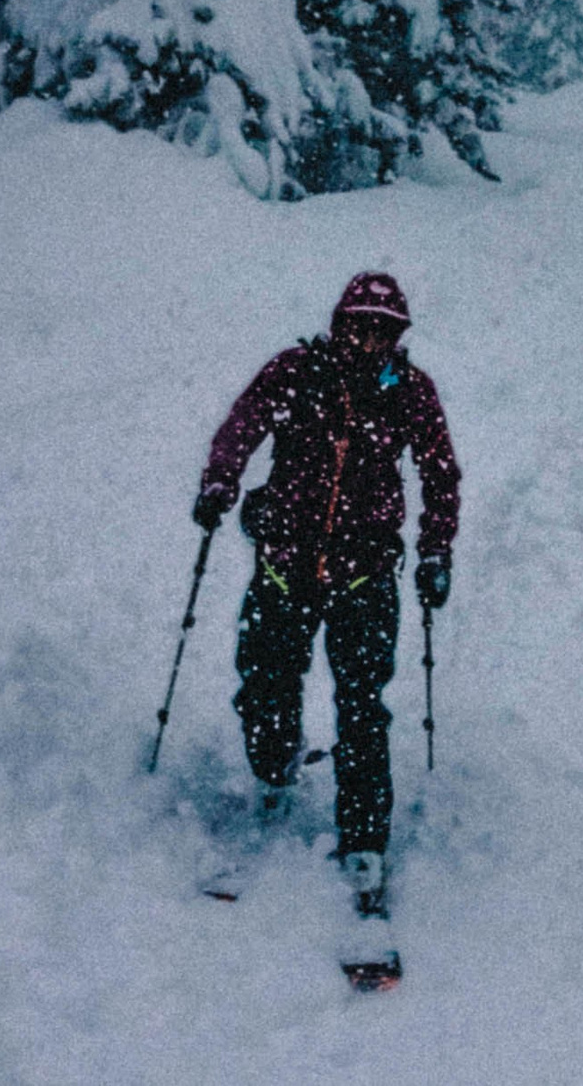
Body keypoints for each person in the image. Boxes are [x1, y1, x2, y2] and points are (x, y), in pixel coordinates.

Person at [193, 271, 459, 918]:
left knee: (362, 709)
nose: (369, 341)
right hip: (285, 565)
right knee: (265, 685)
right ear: (341, 324)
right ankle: (275, 770)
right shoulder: (297, 371)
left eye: (382, 332)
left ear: (396, 336)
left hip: (365, 575)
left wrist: (434, 550)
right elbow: (242, 425)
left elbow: (439, 472)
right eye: (359, 327)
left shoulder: (409, 390)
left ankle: (364, 844)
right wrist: (220, 482)